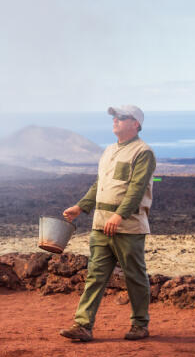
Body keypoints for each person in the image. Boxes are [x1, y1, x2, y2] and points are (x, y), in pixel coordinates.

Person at [59, 105, 157, 342]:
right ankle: (83, 325)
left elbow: (137, 189)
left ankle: (140, 324)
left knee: (134, 275)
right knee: (95, 275)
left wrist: (119, 215)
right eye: (114, 117)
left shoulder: (143, 152)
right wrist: (81, 206)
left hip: (128, 227)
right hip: (101, 225)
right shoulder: (109, 151)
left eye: (121, 117)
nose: (115, 120)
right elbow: (99, 184)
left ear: (136, 124)